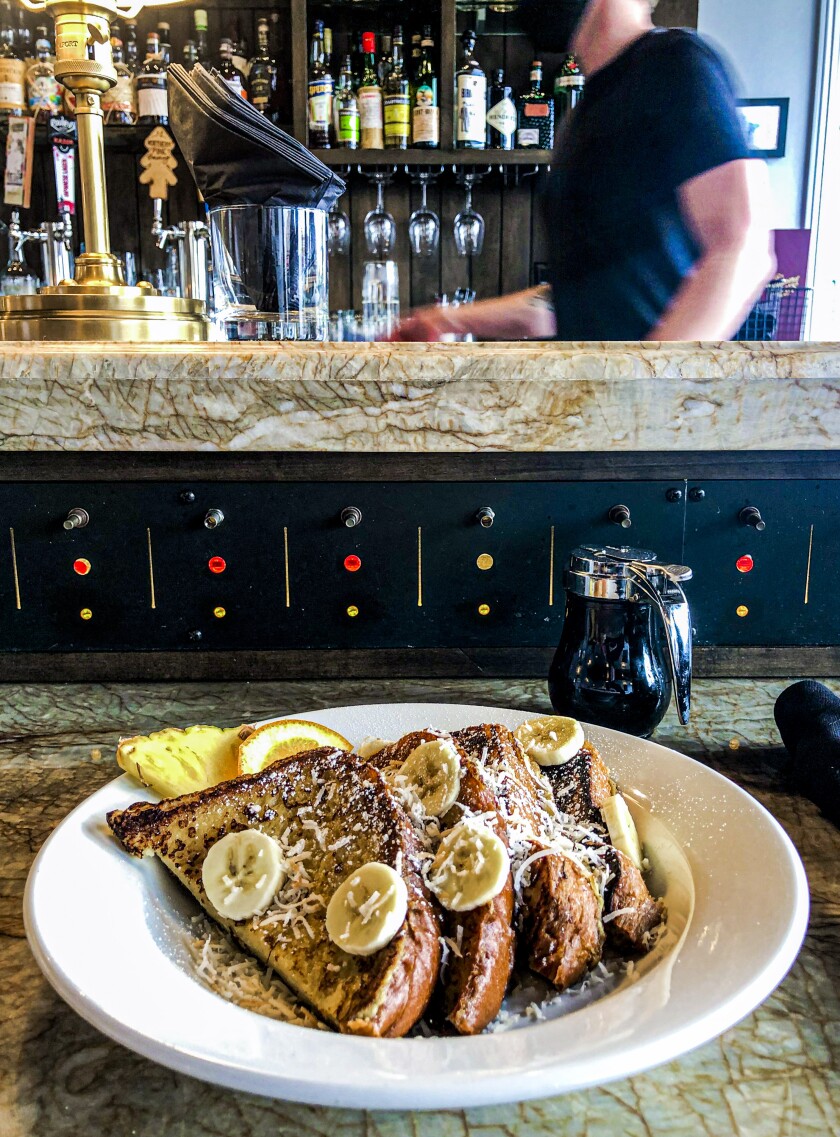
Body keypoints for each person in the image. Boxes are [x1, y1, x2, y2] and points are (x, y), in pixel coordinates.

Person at [395, 0, 776, 342]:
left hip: (656, 409)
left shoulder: (674, 63)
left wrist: (649, 388)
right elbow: (557, 306)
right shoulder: (586, 113)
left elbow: (743, 248)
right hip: (601, 403)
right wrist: (445, 320)